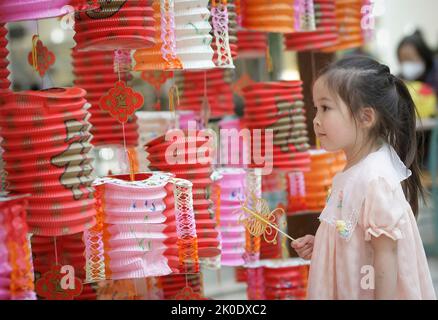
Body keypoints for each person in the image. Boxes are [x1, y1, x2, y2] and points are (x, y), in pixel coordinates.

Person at [291, 56, 436, 300]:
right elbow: (356, 238)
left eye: (325, 108)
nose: (316, 119)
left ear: (366, 117)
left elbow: (385, 257)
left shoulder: (374, 178)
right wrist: (324, 245)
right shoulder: (356, 171)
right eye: (316, 108)